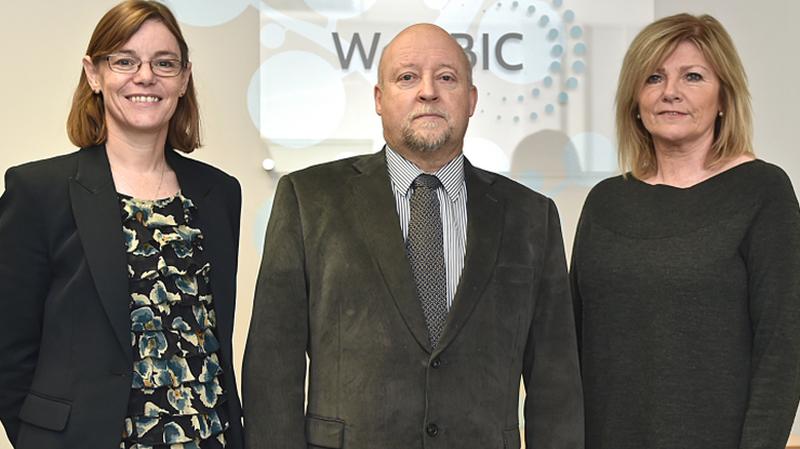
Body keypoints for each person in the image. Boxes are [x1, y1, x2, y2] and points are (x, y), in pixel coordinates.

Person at [243, 23, 583, 449]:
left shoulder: (531, 217)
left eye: (446, 78)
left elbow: (556, 384)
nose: (428, 92)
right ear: (379, 100)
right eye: (407, 77)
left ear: (472, 100)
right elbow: (272, 368)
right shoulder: (308, 199)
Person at [0, 2, 244, 448]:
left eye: (164, 63)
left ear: (184, 78)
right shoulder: (38, 191)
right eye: (124, 61)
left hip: (209, 436)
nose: (145, 76)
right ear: (94, 74)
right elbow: (8, 345)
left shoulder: (219, 193)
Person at [570, 13, 800, 449]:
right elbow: (573, 347)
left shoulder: (763, 191)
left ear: (723, 98)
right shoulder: (605, 201)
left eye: (693, 77)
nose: (670, 92)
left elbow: (782, 350)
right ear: (635, 100)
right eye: (654, 77)